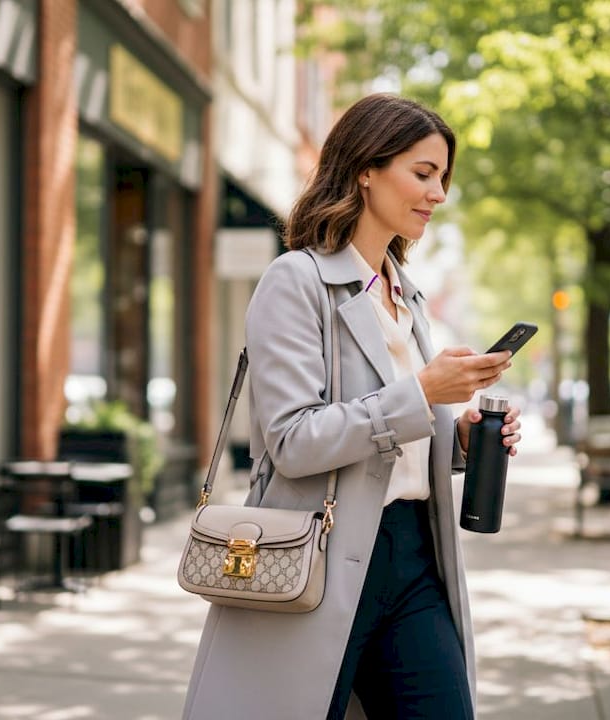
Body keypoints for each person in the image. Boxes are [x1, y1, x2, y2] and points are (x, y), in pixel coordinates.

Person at [182, 93, 524, 720]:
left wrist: (465, 438)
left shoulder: (409, 297)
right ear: (366, 168)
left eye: (443, 178)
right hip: (320, 558)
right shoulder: (296, 281)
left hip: (417, 559)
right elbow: (291, 441)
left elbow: (404, 447)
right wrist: (422, 392)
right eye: (423, 174)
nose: (438, 194)